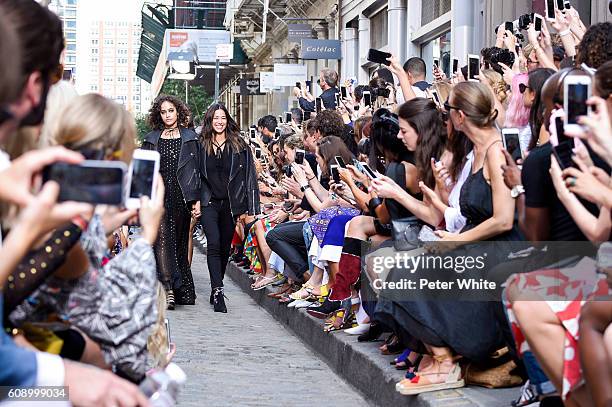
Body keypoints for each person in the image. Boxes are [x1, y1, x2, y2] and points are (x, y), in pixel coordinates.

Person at [199, 103, 260, 313]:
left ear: (227, 120)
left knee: (225, 247)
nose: (219, 121)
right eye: (215, 117)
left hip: (231, 204)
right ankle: (218, 290)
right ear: (210, 120)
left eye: (223, 117)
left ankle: (217, 281)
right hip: (209, 202)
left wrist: (251, 208)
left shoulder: (239, 145)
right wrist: (195, 201)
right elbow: (194, 175)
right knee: (214, 243)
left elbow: (249, 177)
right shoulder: (201, 144)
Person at [143, 95, 200, 310]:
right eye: (163, 112)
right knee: (163, 240)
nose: (167, 115)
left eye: (171, 111)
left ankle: (180, 288)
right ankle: (167, 288)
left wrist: (197, 201)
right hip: (158, 195)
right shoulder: (151, 138)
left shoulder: (190, 137)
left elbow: (197, 171)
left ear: (178, 112)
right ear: (159, 114)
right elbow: (144, 171)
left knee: (178, 243)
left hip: (182, 196)